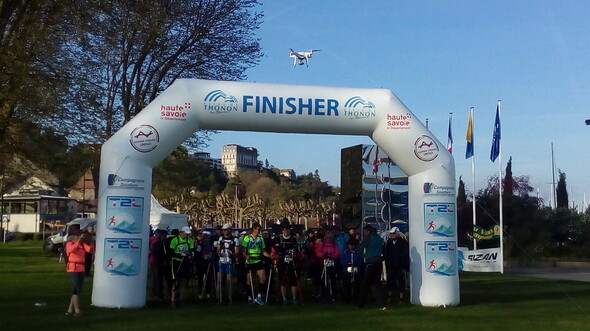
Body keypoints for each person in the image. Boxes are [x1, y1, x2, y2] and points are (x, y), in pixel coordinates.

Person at [355, 225, 386, 310]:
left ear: (368, 231)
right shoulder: (379, 238)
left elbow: (359, 248)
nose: (364, 233)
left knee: (365, 284)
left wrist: (357, 248)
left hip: (370, 263)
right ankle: (382, 305)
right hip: (379, 262)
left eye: (364, 232)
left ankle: (360, 304)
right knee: (377, 284)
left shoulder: (368, 238)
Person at [241, 222, 272, 305]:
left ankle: (259, 296)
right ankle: (249, 297)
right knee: (249, 280)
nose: (259, 231)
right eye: (258, 229)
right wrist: (246, 255)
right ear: (254, 229)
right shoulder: (247, 238)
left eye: (260, 229)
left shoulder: (260, 238)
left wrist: (269, 255)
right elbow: (243, 249)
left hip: (258, 260)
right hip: (250, 260)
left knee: (263, 277)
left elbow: (263, 250)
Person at [65, 229, 94, 316]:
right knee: (76, 289)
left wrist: (91, 241)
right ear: (75, 236)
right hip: (73, 268)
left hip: (80, 268)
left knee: (78, 289)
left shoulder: (82, 244)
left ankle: (70, 310)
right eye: (79, 236)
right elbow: (70, 250)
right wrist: (79, 242)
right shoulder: (70, 243)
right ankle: (77, 311)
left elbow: (89, 250)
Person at [273, 222, 302, 305]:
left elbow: (296, 250)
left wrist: (293, 254)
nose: (286, 231)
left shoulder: (293, 239)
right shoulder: (278, 239)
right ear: (282, 230)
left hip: (291, 262)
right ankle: (284, 298)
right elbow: (277, 250)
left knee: (293, 280)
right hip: (282, 262)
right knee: (283, 280)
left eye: (287, 230)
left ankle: (293, 298)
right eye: (284, 230)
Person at [169, 226, 195, 307]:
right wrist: (180, 255)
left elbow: (192, 250)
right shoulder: (175, 240)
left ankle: (181, 299)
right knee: (175, 281)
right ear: (181, 232)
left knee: (183, 281)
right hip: (176, 262)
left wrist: (190, 255)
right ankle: (173, 300)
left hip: (185, 262)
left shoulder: (189, 240)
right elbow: (170, 252)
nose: (187, 235)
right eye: (185, 234)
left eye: (188, 234)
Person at [383, 227, 409, 304]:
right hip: (390, 265)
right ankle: (390, 296)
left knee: (401, 281)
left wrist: (404, 264)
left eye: (393, 233)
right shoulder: (389, 242)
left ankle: (401, 298)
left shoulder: (403, 242)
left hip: (399, 265)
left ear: (397, 233)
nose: (392, 235)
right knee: (390, 280)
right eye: (391, 233)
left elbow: (405, 254)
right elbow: (386, 253)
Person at [216, 223, 239, 304]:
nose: (224, 231)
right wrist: (219, 252)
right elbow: (218, 249)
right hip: (221, 261)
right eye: (223, 230)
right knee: (219, 279)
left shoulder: (235, 240)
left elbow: (237, 252)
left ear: (229, 230)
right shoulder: (221, 239)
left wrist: (231, 255)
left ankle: (229, 298)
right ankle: (218, 298)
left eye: (225, 230)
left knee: (229, 280)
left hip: (229, 261)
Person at [315, 229, 340, 302]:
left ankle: (333, 295)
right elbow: (318, 253)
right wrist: (324, 255)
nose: (330, 236)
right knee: (323, 279)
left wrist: (331, 256)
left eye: (331, 234)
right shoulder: (322, 244)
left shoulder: (334, 244)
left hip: (331, 263)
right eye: (328, 234)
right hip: (324, 264)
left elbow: (337, 253)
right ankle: (323, 295)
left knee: (332, 279)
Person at [340, 238, 363, 304]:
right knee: (346, 285)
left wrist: (356, 263)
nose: (351, 246)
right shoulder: (345, 252)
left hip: (356, 271)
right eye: (350, 245)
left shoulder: (358, 252)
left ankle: (356, 298)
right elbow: (342, 262)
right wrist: (348, 263)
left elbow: (361, 261)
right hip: (346, 271)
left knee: (356, 285)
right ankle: (347, 299)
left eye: (353, 245)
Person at [149, 229, 168, 300]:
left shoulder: (162, 243)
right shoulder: (157, 243)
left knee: (156, 277)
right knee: (158, 278)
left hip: (157, 261)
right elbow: (155, 252)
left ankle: (158, 292)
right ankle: (159, 293)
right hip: (158, 262)